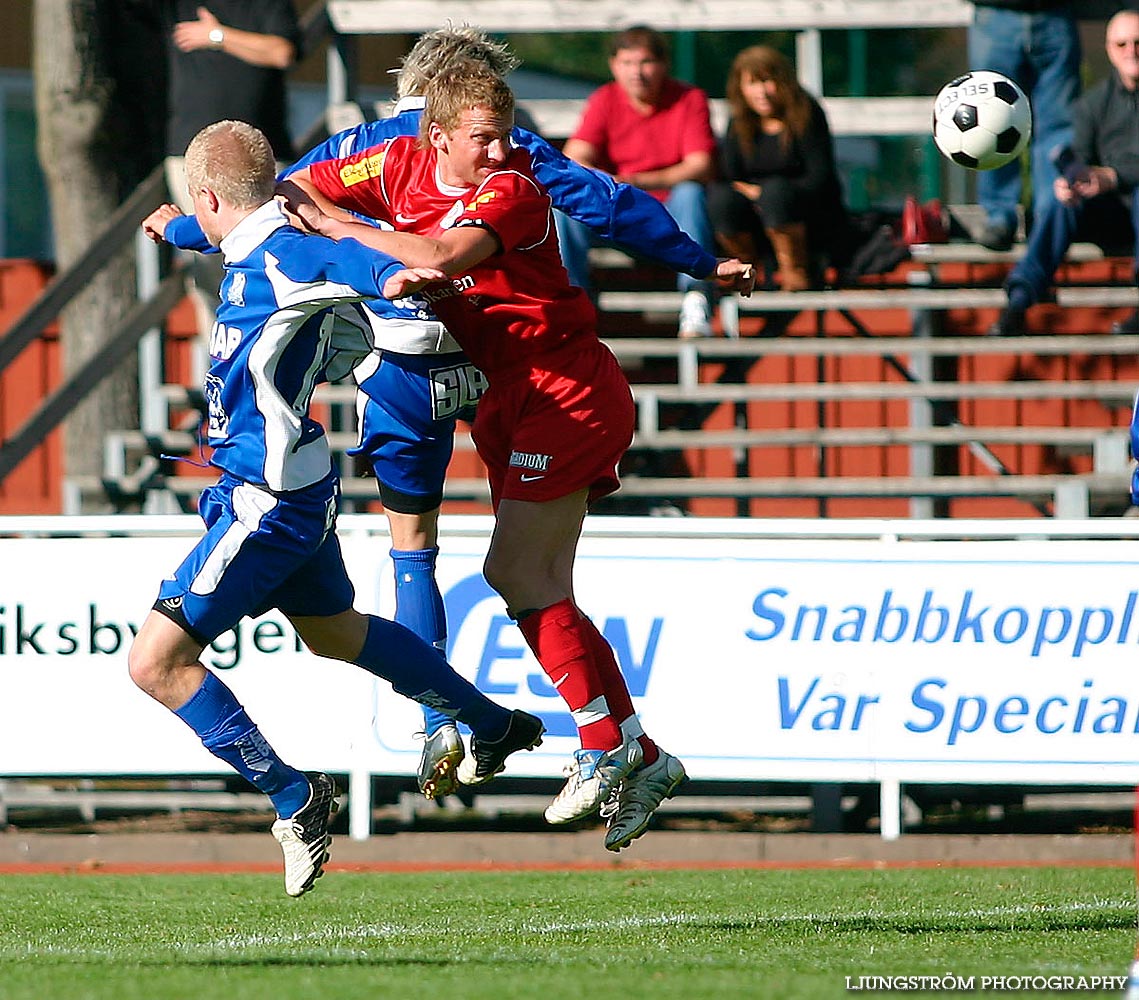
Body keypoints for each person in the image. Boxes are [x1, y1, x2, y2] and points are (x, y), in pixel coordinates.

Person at [165, 25, 754, 805]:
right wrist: (698, 260)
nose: (498, 145)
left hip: (482, 372)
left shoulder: (493, 170)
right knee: (511, 573)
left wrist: (699, 262)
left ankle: (558, 737)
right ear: (434, 120)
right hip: (483, 377)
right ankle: (595, 741)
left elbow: (288, 210)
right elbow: (257, 200)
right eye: (478, 131)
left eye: (497, 132)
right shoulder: (430, 149)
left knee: (467, 557)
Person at [135, 119, 545, 896]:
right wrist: (175, 228)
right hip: (291, 487)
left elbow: (342, 260)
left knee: (154, 664)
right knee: (335, 634)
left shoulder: (290, 251)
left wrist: (391, 280)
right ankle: (493, 723)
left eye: (199, 209)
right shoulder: (244, 231)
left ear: (210, 193)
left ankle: (294, 796)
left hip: (267, 500)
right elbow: (221, 225)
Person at [159, 1, 301, 368]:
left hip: (263, 157)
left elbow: (282, 51)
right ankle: (222, 367)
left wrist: (217, 36)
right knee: (208, 267)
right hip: (191, 159)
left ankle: (276, 359)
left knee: (270, 257)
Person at [556, 25, 720, 338]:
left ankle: (695, 299)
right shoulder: (605, 99)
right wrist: (604, 181)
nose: (637, 73)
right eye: (627, 63)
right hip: (617, 210)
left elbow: (701, 165)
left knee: (690, 193)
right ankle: (572, 305)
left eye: (645, 62)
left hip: (669, 213)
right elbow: (574, 155)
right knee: (565, 208)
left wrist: (634, 181)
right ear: (613, 66)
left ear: (663, 64)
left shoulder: (689, 99)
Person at [991, 10, 1139, 337]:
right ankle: (1019, 298)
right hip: (1111, 214)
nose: (1132, 50)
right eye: (1122, 43)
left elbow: (1111, 175)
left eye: (1138, 42)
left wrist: (1113, 176)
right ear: (1109, 49)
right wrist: (1073, 182)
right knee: (1062, 203)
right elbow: (1082, 160)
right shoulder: (1092, 104)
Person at [707, 45, 852, 292]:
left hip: (806, 217)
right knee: (720, 199)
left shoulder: (807, 114)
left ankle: (794, 270)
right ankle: (742, 269)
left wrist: (766, 194)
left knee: (776, 193)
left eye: (768, 81)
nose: (761, 92)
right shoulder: (739, 122)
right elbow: (729, 176)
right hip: (755, 217)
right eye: (752, 83)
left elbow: (819, 178)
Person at [968, 1, 1081, 251]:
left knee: (1058, 126)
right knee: (988, 121)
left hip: (1053, 14)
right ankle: (999, 216)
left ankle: (1050, 218)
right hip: (995, 14)